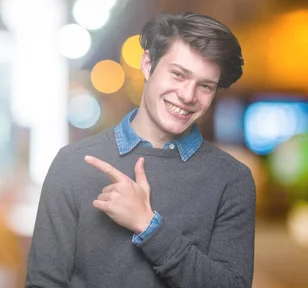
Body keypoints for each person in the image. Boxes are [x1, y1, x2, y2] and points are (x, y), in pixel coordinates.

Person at [25, 12, 256, 288]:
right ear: (148, 64)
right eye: (178, 74)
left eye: (205, 86)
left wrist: (149, 226)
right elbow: (44, 282)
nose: (188, 95)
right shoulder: (73, 164)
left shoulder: (232, 179)